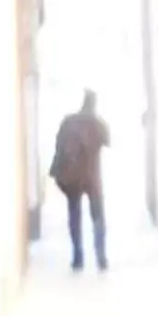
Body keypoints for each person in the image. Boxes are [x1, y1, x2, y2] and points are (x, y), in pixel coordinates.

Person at [50, 90, 111, 273]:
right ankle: (101, 258)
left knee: (74, 217)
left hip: (72, 178)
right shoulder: (98, 124)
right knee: (98, 218)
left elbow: (58, 145)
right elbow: (108, 142)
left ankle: (77, 258)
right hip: (92, 179)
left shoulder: (68, 122)